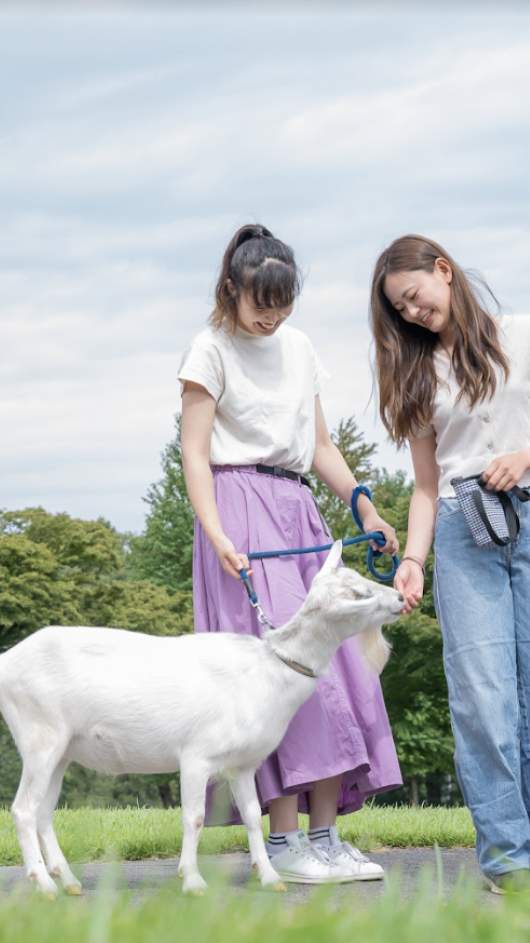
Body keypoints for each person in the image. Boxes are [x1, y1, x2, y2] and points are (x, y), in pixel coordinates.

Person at [178, 223, 403, 884]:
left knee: (335, 671)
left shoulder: (299, 347)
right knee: (275, 677)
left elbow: (320, 446)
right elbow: (194, 449)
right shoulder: (208, 348)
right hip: (238, 510)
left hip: (297, 504)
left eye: (283, 303)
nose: (273, 317)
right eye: (260, 304)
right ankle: (280, 843)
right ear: (231, 290)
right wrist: (217, 532)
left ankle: (326, 837)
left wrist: (363, 504)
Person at [370, 234, 530, 894]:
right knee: (484, 700)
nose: (411, 314)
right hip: (462, 532)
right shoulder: (415, 373)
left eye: (413, 297)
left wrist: (526, 457)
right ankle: (505, 857)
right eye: (398, 311)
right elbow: (424, 484)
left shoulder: (529, 335)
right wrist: (412, 560)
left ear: (443, 270)